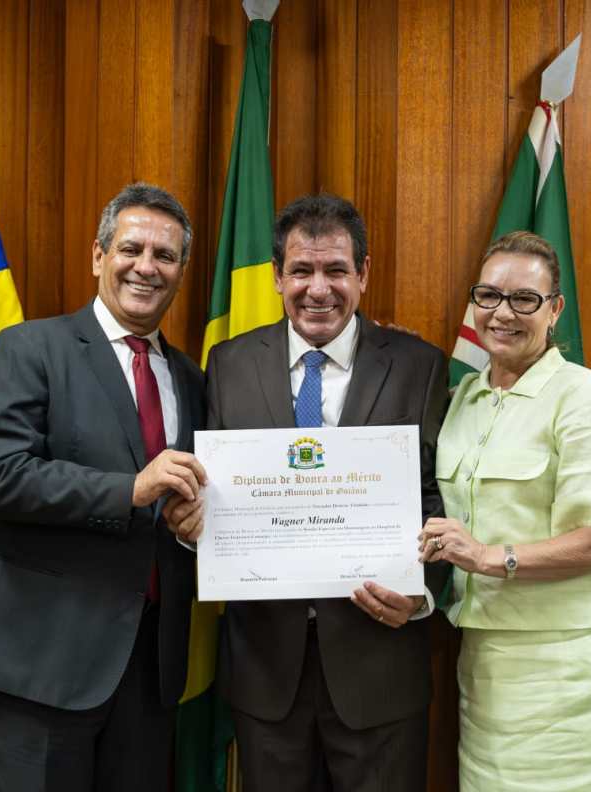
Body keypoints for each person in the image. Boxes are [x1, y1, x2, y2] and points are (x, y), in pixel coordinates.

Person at [168, 193, 450, 792]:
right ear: (276, 276)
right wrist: (194, 531)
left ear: (364, 274)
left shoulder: (420, 365)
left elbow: (438, 500)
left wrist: (422, 594)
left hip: (382, 668)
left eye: (336, 270)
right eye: (301, 270)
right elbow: (216, 499)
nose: (318, 289)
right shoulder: (228, 364)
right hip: (266, 673)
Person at [0, 183, 208, 791]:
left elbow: (189, 502)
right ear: (97, 255)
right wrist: (130, 489)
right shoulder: (31, 348)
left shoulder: (191, 378)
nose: (147, 266)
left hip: (148, 668)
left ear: (181, 271)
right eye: (130, 248)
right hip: (41, 663)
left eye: (165, 256)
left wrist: (190, 530)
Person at [419, 230, 591, 791]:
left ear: (555, 310)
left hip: (575, 675)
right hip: (487, 674)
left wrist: (486, 556)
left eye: (525, 299)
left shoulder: (584, 398)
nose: (503, 313)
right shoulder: (465, 401)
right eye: (489, 296)